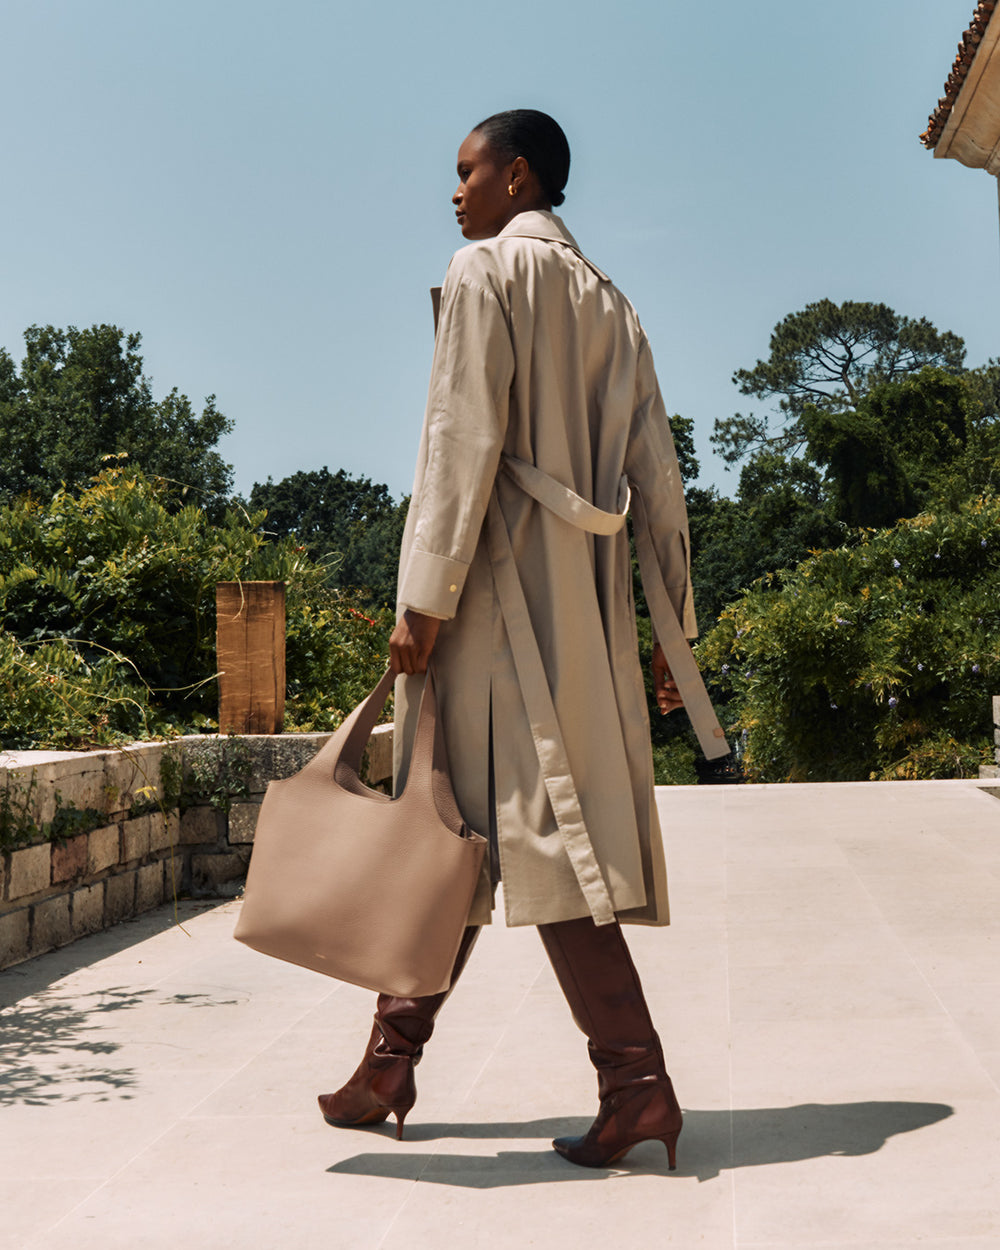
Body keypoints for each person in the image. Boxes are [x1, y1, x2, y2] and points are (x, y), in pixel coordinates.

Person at [318, 109, 699, 1170]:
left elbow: (460, 440)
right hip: (587, 607)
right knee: (464, 832)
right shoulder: (612, 302)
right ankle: (389, 1063)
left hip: (492, 607)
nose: (455, 192)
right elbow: (660, 477)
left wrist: (423, 600)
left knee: (526, 832)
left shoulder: (483, 270)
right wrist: (671, 630)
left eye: (467, 171)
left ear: (517, 176)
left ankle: (637, 1084)